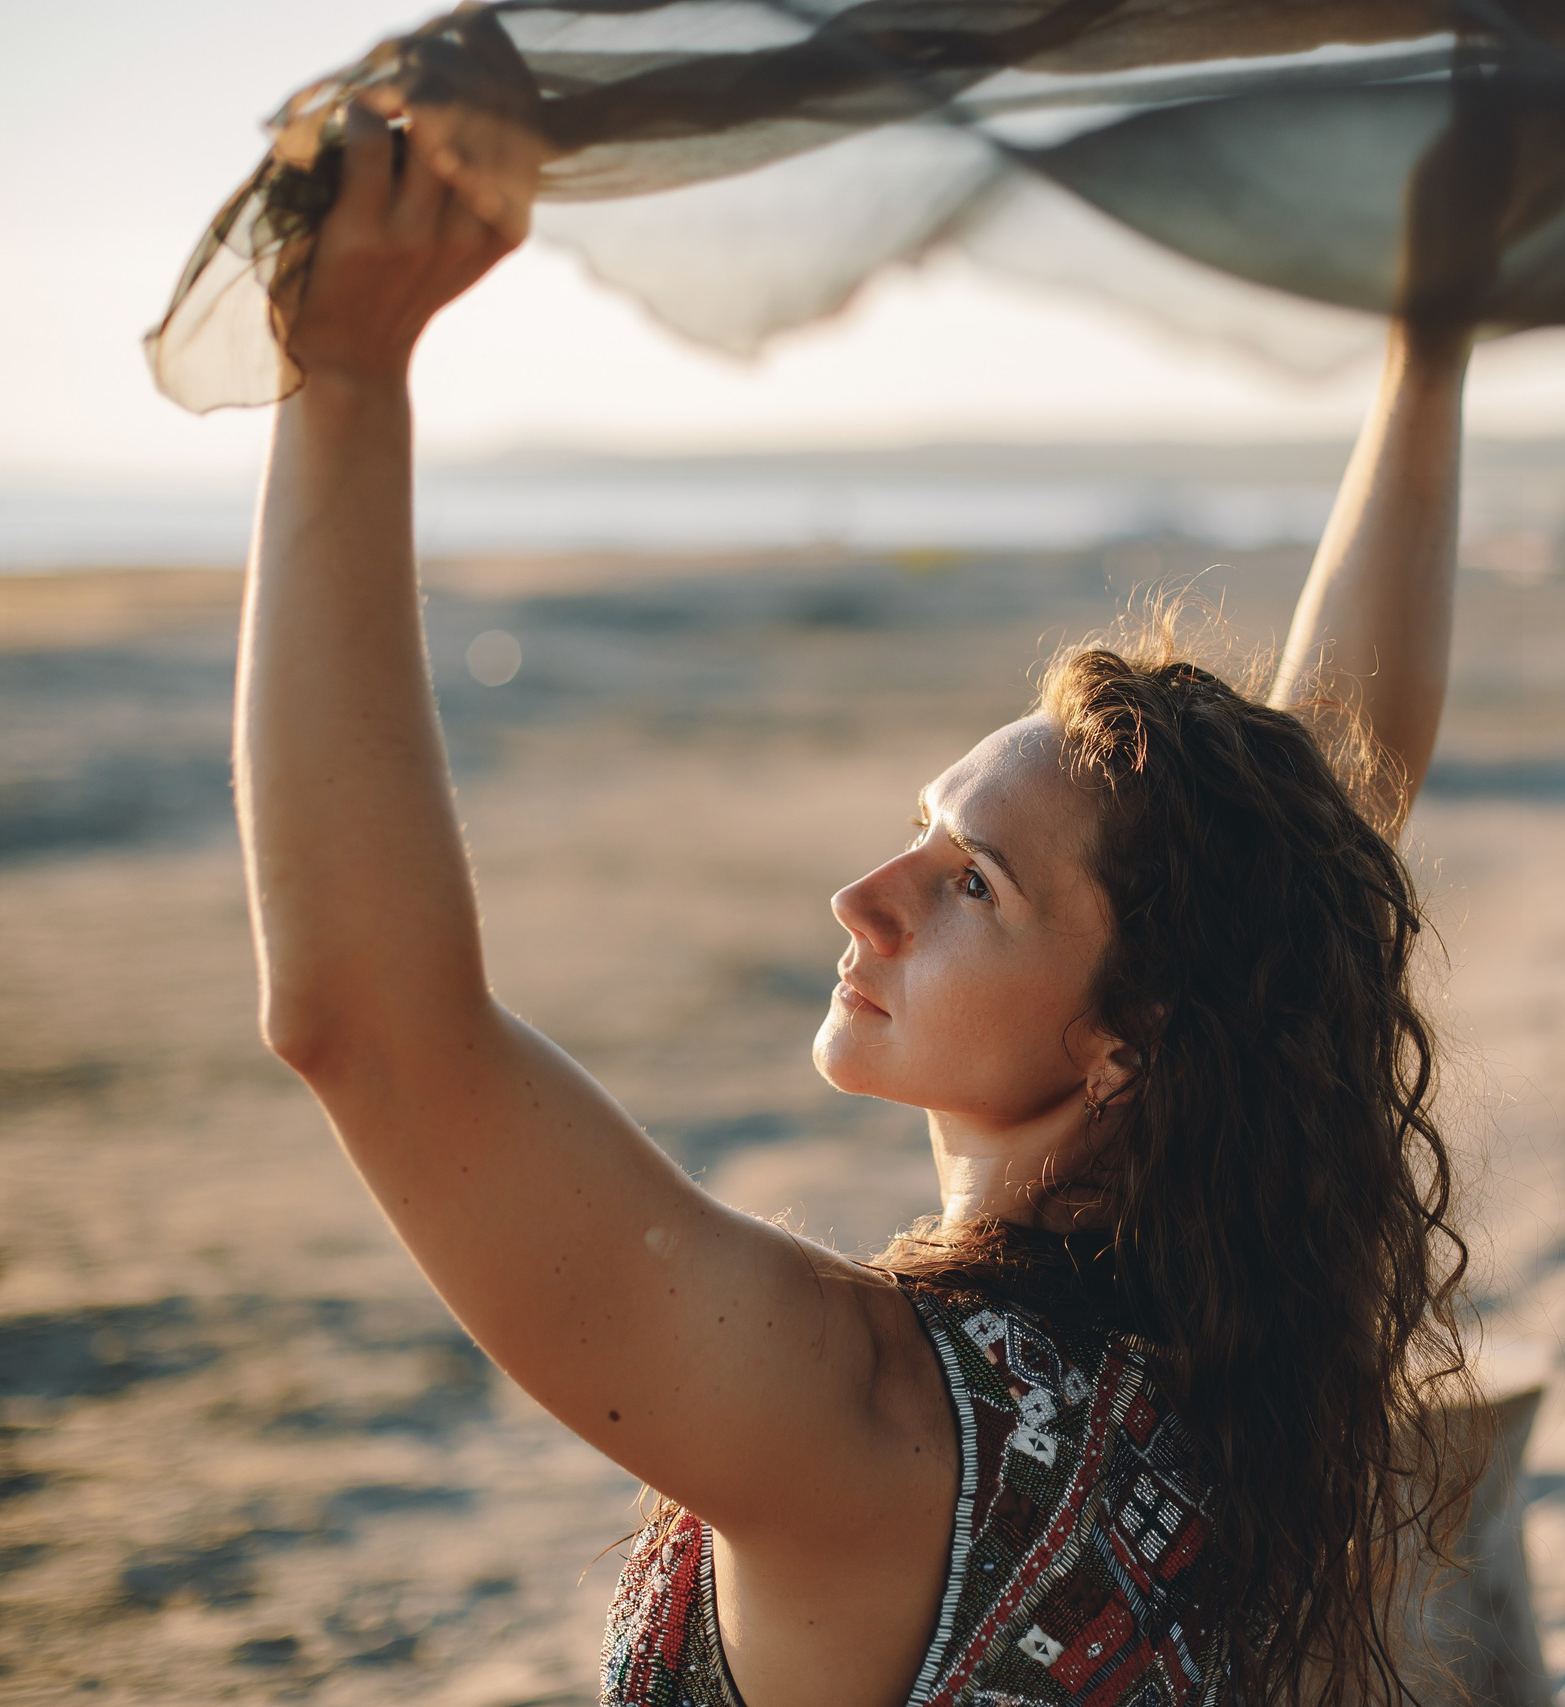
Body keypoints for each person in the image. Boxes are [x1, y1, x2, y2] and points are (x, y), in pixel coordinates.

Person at [241, 97, 1483, 1707]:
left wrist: (342, 382)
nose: (865, 896)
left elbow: (367, 1029)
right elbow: (1344, 777)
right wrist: (1430, 345)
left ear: (1132, 1040)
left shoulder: (876, 1426)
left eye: (973, 881)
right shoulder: (1231, 1373)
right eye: (920, 830)